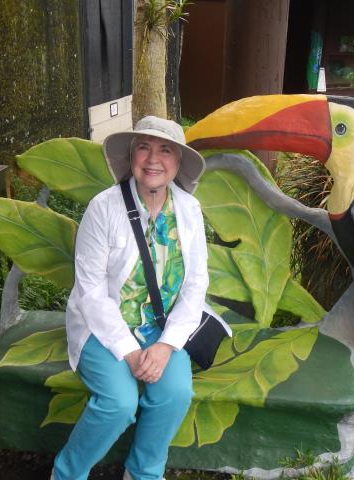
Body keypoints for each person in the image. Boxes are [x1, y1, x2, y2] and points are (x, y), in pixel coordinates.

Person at [52, 116, 212, 480]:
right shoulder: (104, 208)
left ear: (178, 162)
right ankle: (66, 474)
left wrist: (167, 345)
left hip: (162, 327)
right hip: (104, 328)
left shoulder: (189, 210)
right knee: (118, 403)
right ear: (131, 156)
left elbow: (195, 283)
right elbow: (91, 291)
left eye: (165, 150)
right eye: (144, 147)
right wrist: (129, 351)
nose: (153, 159)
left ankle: (143, 474)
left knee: (175, 393)